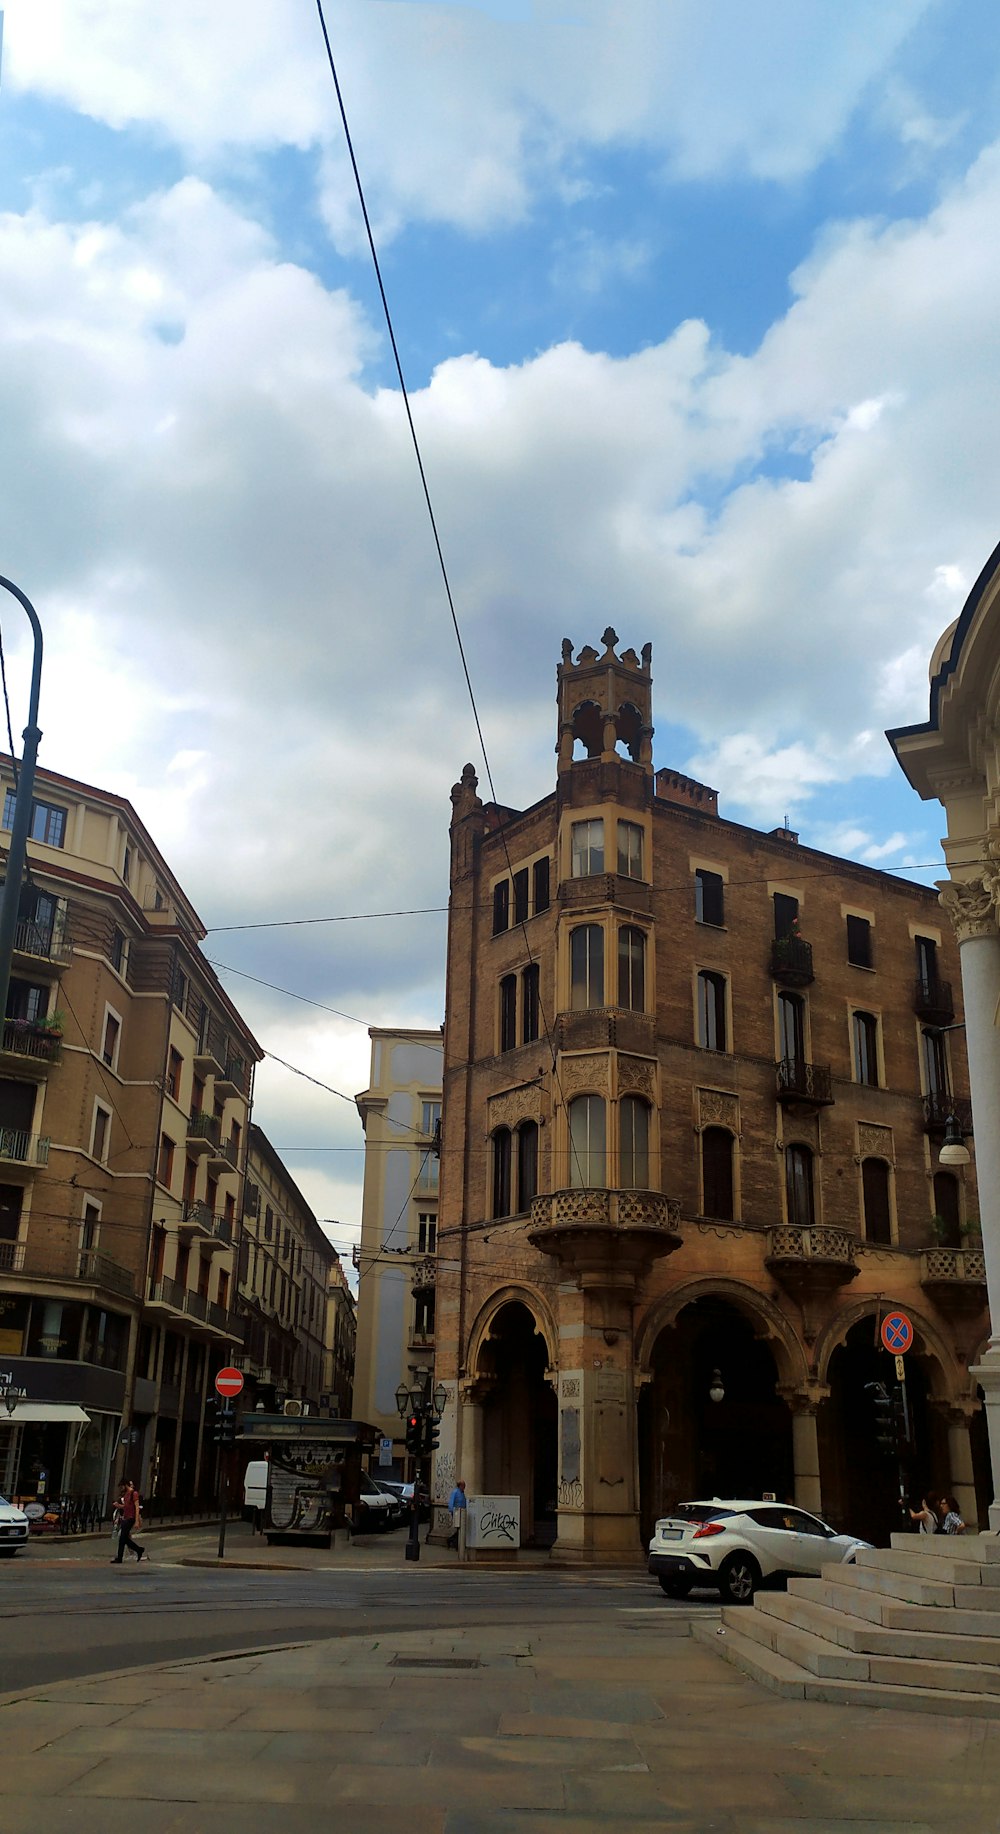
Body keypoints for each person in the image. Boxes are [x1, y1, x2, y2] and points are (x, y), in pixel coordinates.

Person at [111, 1479, 148, 1563]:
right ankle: (138, 1550)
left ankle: (122, 1557)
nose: (121, 1489)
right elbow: (126, 1506)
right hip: (126, 1517)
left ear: (125, 1485)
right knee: (123, 1538)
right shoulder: (127, 1494)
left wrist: (137, 1520)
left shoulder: (133, 1493)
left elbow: (136, 1507)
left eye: (121, 1487)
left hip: (131, 1518)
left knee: (123, 1538)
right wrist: (119, 1506)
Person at [447, 1478, 467, 1549]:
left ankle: (453, 1541)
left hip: (462, 1512)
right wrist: (452, 1511)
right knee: (459, 1528)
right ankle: (452, 1541)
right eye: (463, 1485)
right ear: (460, 1486)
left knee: (460, 1528)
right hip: (457, 1512)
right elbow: (451, 1502)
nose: (464, 1487)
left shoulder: (462, 1493)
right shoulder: (455, 1492)